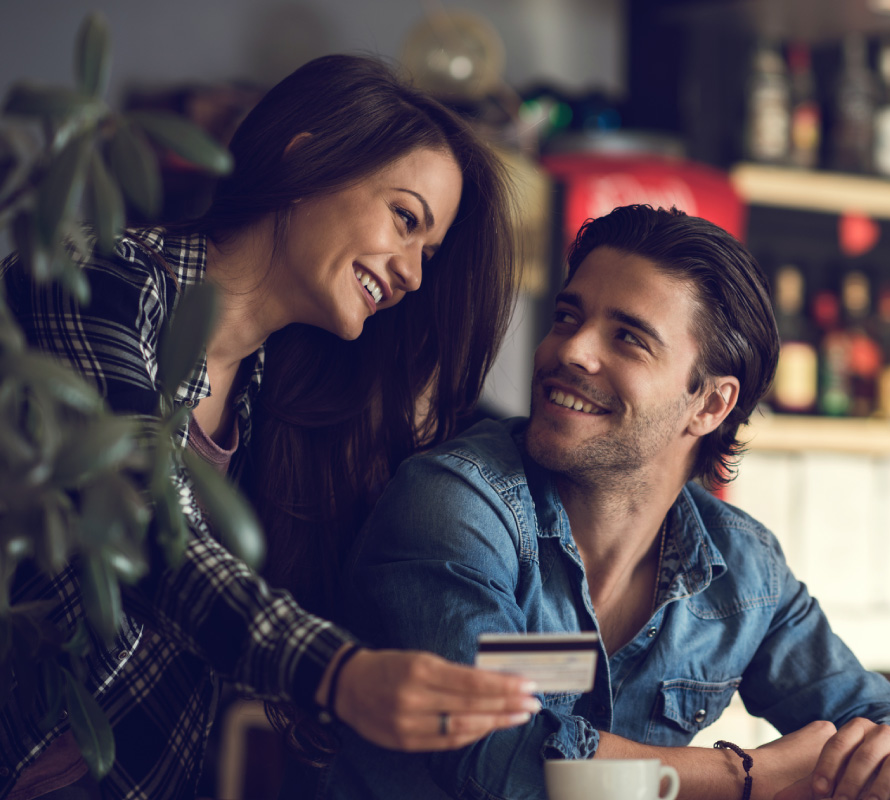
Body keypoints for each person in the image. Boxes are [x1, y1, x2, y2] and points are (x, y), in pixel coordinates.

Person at [1, 55, 540, 800]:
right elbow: (143, 525)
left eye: (430, 253)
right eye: (405, 220)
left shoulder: (276, 414)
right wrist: (338, 674)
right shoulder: (93, 282)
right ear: (308, 160)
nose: (414, 273)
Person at [319, 205, 890, 800]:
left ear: (710, 405)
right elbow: (497, 759)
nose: (571, 350)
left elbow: (889, 722)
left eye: (628, 339)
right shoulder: (455, 502)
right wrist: (743, 777)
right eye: (566, 316)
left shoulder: (745, 572)